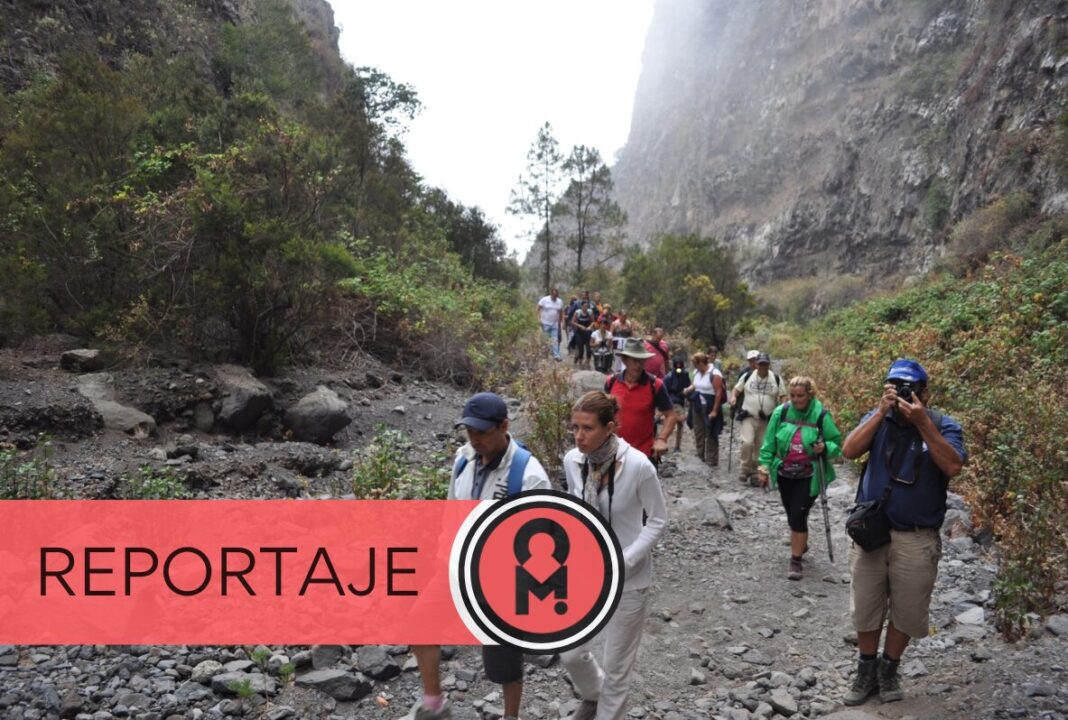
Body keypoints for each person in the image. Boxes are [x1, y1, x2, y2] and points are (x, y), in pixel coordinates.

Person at [412, 392, 552, 720]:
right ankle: (435, 705)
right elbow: (451, 510)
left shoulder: (530, 476)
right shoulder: (464, 458)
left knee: (502, 660)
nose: (475, 438)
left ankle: (510, 716)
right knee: (419, 624)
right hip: (454, 569)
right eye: (469, 431)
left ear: (504, 426)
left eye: (482, 432)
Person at [839, 359, 965, 706]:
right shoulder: (877, 418)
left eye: (910, 388)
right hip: (871, 531)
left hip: (917, 534)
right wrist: (881, 412)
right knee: (866, 605)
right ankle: (866, 670)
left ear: (925, 392)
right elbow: (849, 451)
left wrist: (923, 423)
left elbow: (953, 465)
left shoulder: (943, 424)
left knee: (907, 610)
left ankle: (889, 668)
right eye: (896, 387)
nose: (904, 393)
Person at [561, 391, 668, 720]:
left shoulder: (638, 466)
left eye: (587, 428)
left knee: (616, 668)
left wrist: (623, 561)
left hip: (629, 579)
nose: (579, 436)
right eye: (575, 428)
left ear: (610, 428)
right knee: (570, 653)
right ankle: (593, 694)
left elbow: (658, 520)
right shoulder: (572, 461)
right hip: (584, 572)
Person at [756, 376, 843, 579]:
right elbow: (769, 442)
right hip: (784, 472)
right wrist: (763, 466)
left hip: (810, 474)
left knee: (798, 513)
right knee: (792, 513)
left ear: (810, 394)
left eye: (800, 396)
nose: (796, 400)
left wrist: (824, 448)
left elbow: (836, 444)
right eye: (793, 395)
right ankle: (801, 542)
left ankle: (795, 561)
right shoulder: (782, 412)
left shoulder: (820, 415)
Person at [604, 338, 677, 461]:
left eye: (641, 360)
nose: (638, 365)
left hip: (644, 454)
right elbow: (603, 414)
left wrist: (661, 439)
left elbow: (671, 415)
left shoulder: (655, 385)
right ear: (625, 360)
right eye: (634, 360)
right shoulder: (611, 382)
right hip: (614, 452)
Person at [729, 353, 786, 485]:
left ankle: (756, 471)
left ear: (769, 364)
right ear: (756, 364)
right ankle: (745, 468)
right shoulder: (748, 376)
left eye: (765, 364)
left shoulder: (776, 378)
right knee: (747, 442)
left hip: (767, 419)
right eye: (760, 364)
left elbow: (783, 395)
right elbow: (736, 390)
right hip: (748, 416)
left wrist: (783, 408)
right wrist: (733, 398)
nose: (762, 366)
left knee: (761, 447)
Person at [683, 352, 725, 466]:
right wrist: (688, 389)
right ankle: (700, 455)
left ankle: (712, 459)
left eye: (696, 364)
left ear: (702, 362)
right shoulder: (697, 372)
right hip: (697, 405)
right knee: (699, 431)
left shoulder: (715, 373)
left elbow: (719, 392)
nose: (696, 367)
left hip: (710, 405)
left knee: (710, 432)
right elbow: (696, 385)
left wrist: (715, 410)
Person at [662, 357, 691, 452]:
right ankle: (664, 443)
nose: (679, 369)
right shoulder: (669, 377)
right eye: (677, 366)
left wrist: (687, 395)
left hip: (680, 401)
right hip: (671, 402)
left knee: (680, 424)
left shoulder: (685, 375)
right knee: (669, 423)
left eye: (680, 366)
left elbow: (689, 386)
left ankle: (677, 446)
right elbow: (664, 392)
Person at [537, 288, 564, 361]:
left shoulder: (559, 301)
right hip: (545, 323)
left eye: (556, 295)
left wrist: (561, 322)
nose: (555, 297)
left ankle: (556, 355)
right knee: (545, 339)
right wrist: (539, 319)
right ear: (551, 294)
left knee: (555, 339)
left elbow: (561, 312)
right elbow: (538, 309)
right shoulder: (544, 300)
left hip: (555, 323)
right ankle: (544, 354)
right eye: (554, 295)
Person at [571, 299, 596, 368]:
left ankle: (588, 362)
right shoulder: (577, 312)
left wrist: (590, 326)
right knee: (580, 348)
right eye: (584, 306)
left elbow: (593, 321)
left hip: (588, 332)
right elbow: (573, 322)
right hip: (579, 332)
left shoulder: (590, 312)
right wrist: (580, 326)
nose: (585, 308)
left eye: (587, 306)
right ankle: (580, 362)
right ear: (581, 306)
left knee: (589, 349)